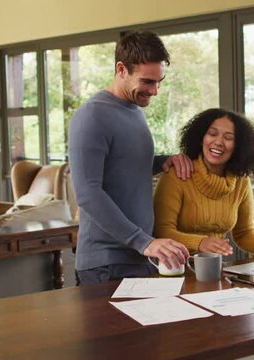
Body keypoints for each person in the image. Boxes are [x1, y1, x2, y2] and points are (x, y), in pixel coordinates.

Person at [69, 31, 192, 284]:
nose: (155, 91)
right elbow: (88, 193)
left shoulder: (134, 110)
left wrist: (161, 162)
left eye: (159, 81)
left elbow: (122, 166)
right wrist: (144, 242)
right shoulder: (91, 116)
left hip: (140, 257)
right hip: (106, 264)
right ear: (121, 69)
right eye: (147, 81)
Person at [153, 108, 254, 258]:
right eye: (212, 134)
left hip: (214, 268)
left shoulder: (241, 182)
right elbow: (161, 231)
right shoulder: (177, 175)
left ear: (238, 146)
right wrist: (200, 243)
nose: (219, 142)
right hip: (175, 267)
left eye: (228, 137)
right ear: (201, 138)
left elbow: (244, 233)